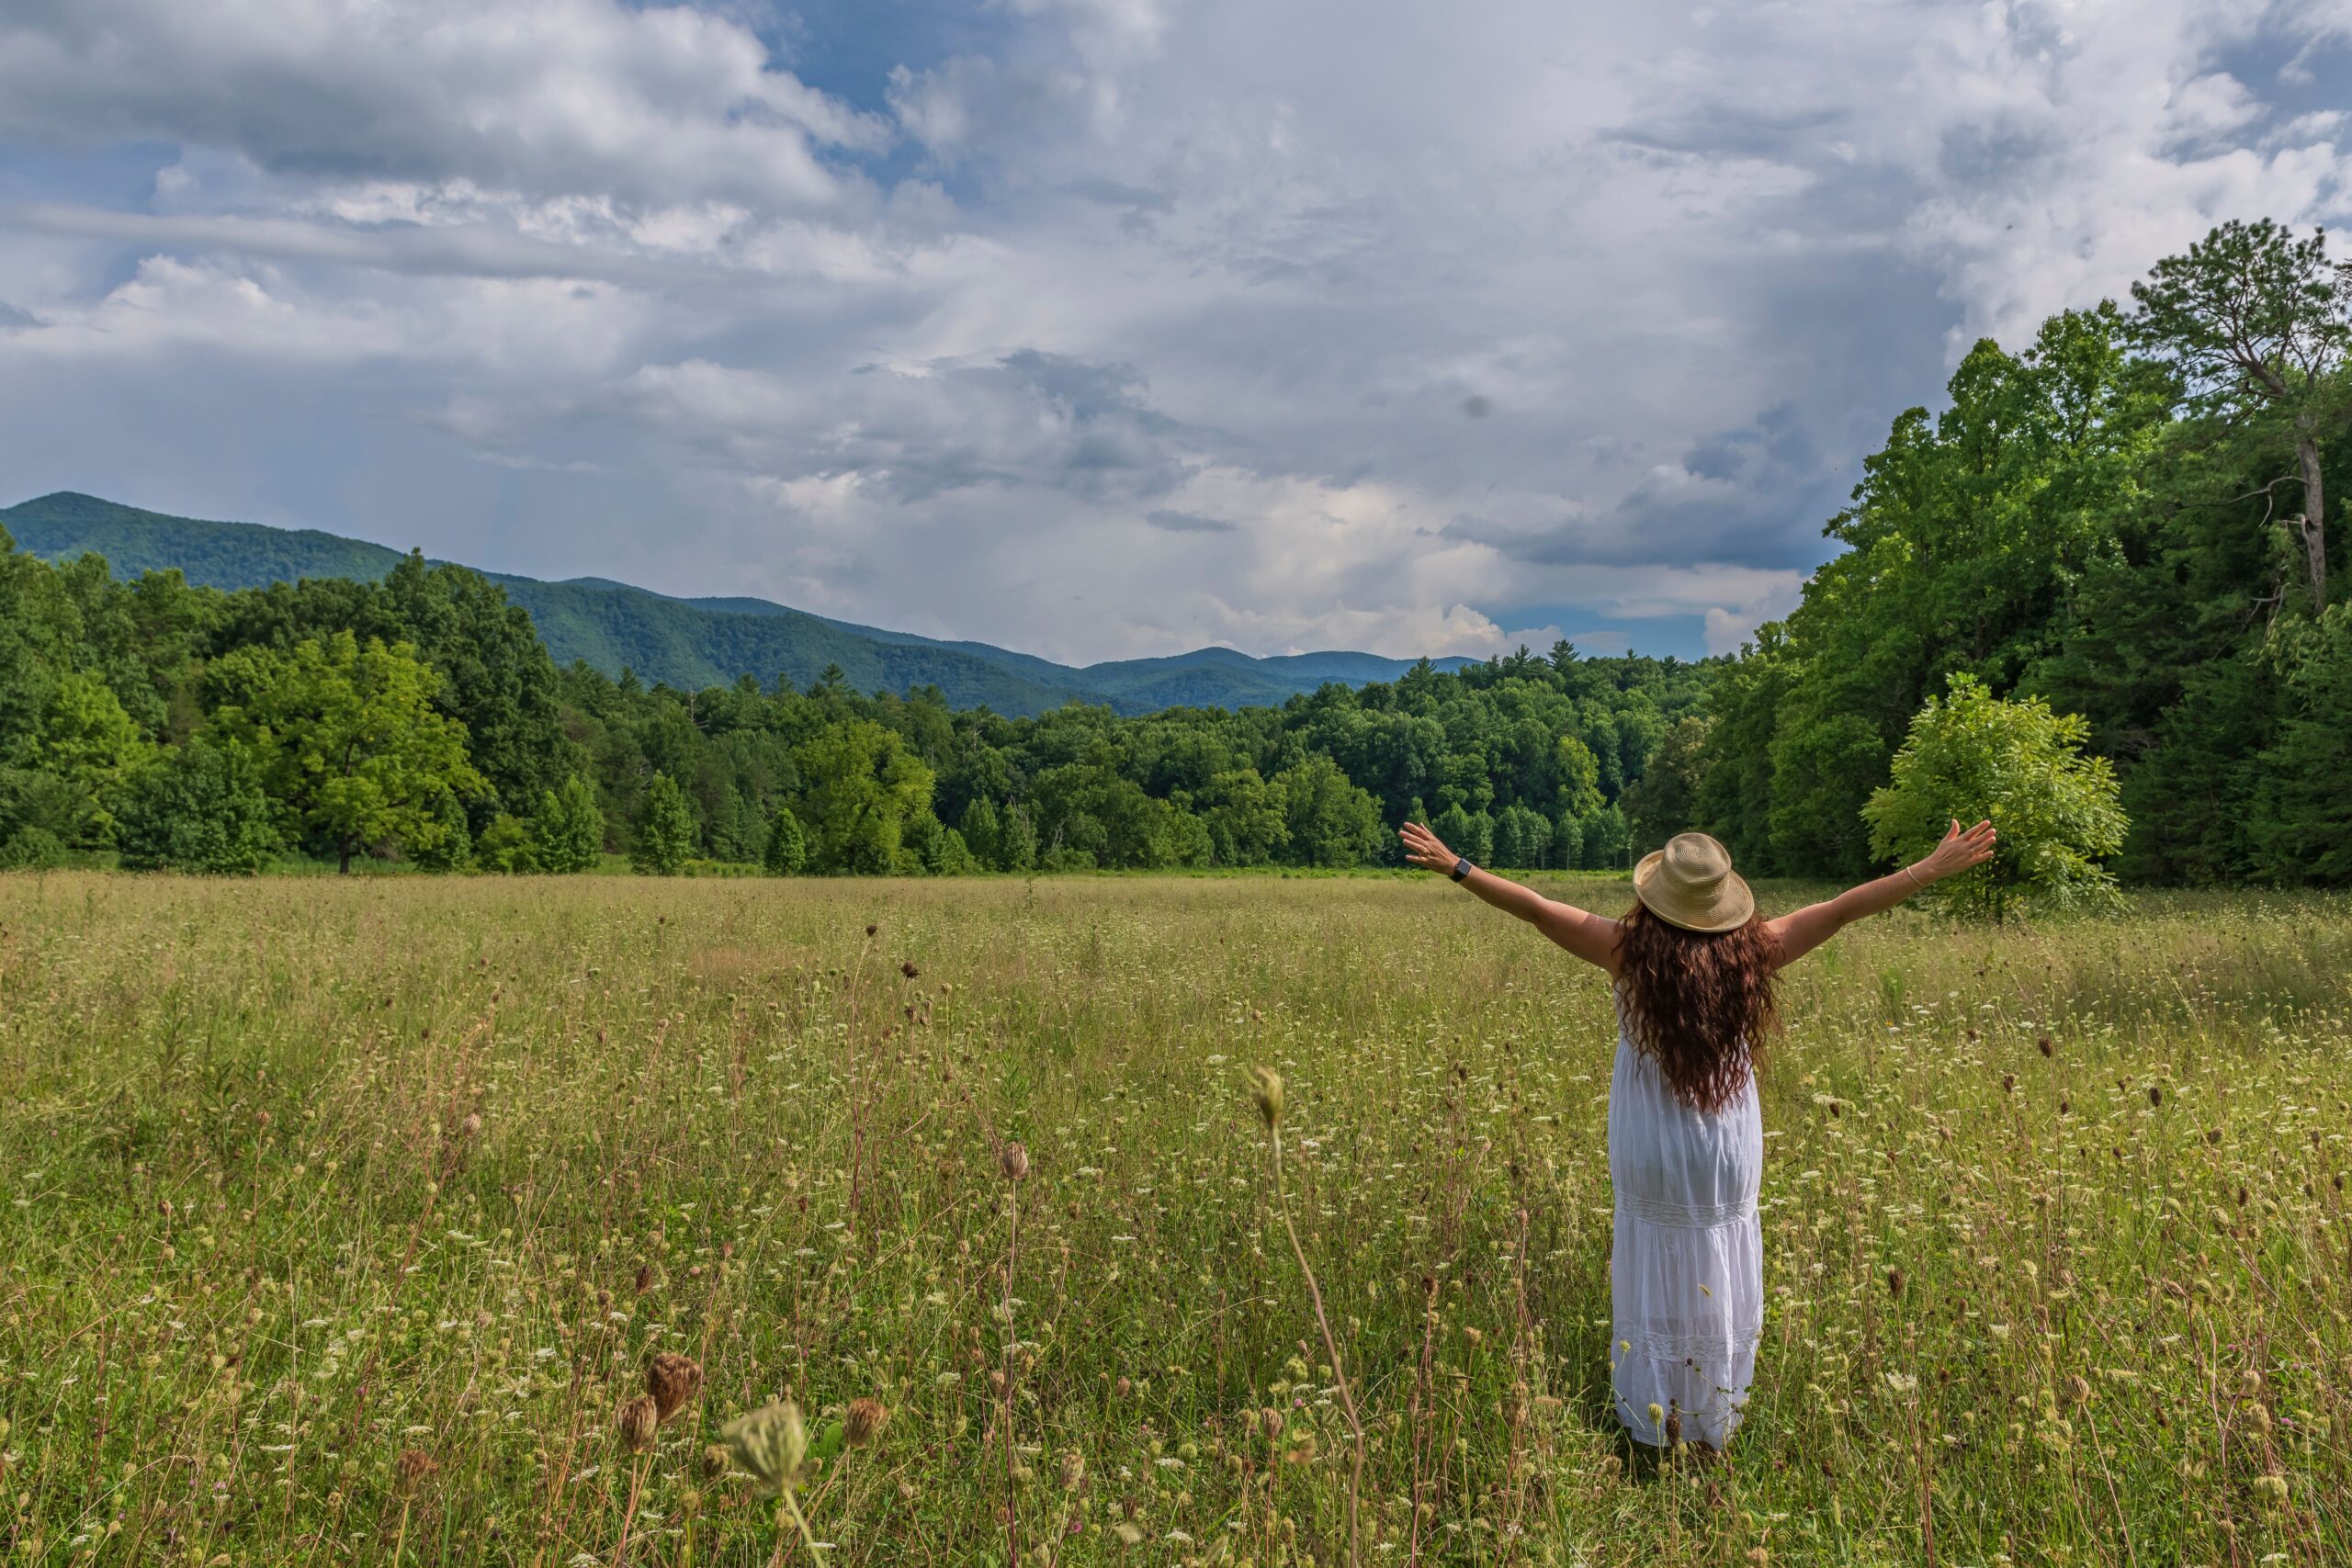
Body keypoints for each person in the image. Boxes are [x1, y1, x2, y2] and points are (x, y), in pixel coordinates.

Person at [1398, 817, 1996, 1454]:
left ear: (1657, 897)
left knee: (1656, 1262)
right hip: (1725, 1150)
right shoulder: (1757, 950)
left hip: (1650, 1144)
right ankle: (1711, 1426)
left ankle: (1655, 1426)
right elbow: (1843, 909)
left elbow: (1538, 910)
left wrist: (1457, 865)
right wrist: (1926, 869)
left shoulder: (1626, 951)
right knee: (1717, 1260)